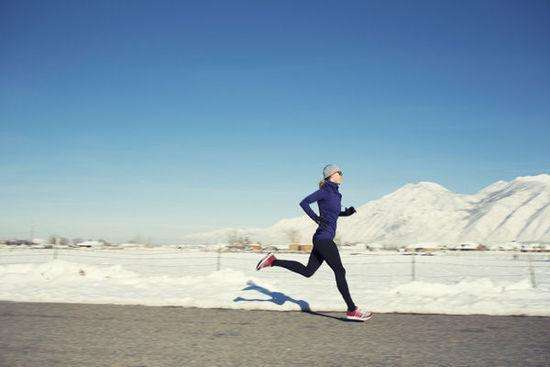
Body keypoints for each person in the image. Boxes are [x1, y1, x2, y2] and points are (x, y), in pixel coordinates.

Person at [255, 164, 373, 321]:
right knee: (340, 271)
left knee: (308, 271)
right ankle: (352, 309)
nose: (342, 174)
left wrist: (347, 213)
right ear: (332, 175)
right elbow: (304, 202)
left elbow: (333, 213)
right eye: (340, 172)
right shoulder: (323, 191)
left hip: (323, 239)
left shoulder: (337, 195)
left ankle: (273, 261)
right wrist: (316, 218)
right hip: (323, 239)